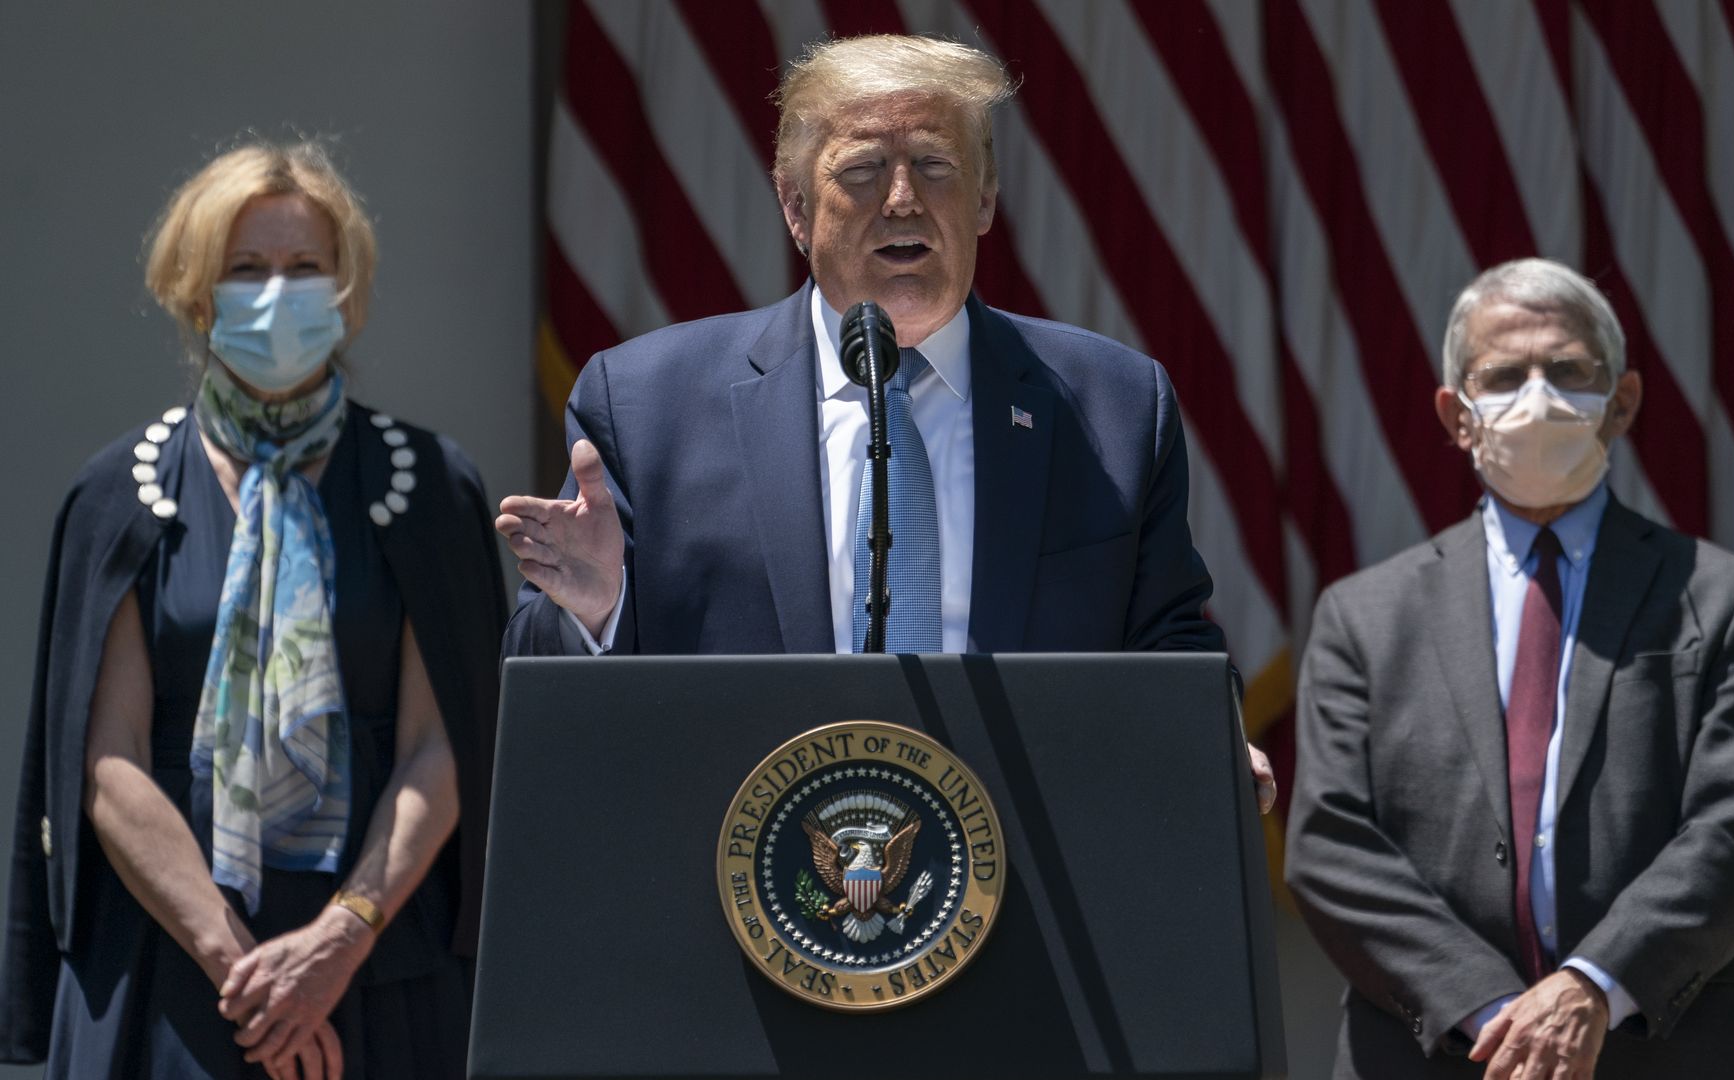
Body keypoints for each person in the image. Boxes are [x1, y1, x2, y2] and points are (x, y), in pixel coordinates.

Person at [495, 35, 1277, 807]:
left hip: (1033, 873)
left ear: (984, 199)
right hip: (742, 883)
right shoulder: (646, 404)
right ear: (797, 208)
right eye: (864, 170)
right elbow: (540, 692)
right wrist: (601, 612)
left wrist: (1204, 732)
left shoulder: (1113, 403)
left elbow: (1169, 643)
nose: (901, 198)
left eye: (935, 166)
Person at [0, 141, 506, 1079]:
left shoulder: (427, 485)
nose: (278, 294)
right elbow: (106, 759)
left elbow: (448, 746)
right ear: (197, 292)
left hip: (380, 967)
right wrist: (250, 975)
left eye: (305, 268)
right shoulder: (120, 494)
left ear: (345, 289)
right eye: (246, 270)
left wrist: (332, 949)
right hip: (171, 978)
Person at [1285, 257, 1734, 1078]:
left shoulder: (1723, 598)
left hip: (1667, 1048)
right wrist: (1495, 1011)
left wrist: (1592, 987)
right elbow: (1331, 845)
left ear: (1621, 402)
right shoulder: (1364, 617)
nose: (1537, 394)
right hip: (1439, 1052)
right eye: (1503, 375)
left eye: (1566, 370)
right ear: (1457, 415)